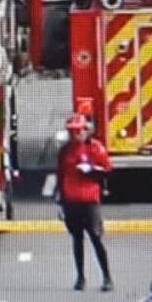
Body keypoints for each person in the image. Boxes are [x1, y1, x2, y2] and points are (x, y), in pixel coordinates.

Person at [55, 113, 113, 291]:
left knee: (96, 238)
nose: (75, 135)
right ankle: (80, 277)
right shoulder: (64, 151)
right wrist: (60, 201)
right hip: (71, 200)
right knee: (77, 239)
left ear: (86, 131)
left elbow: (107, 170)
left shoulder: (95, 148)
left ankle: (107, 277)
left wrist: (92, 170)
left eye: (78, 131)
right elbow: (60, 175)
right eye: (72, 132)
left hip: (89, 200)